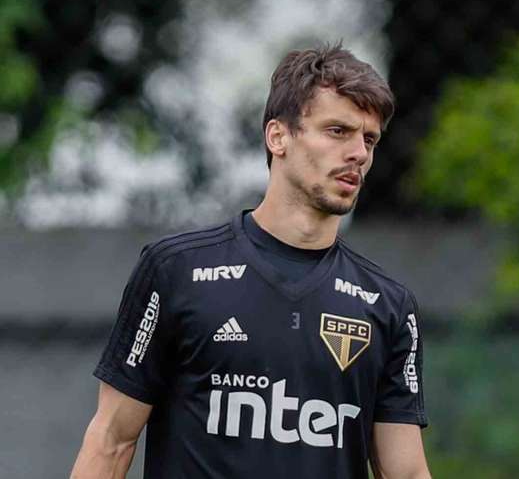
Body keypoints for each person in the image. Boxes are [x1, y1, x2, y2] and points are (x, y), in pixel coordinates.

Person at [70, 44, 431, 479]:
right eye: (338, 131)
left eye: (369, 139)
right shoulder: (176, 271)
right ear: (278, 137)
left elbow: (406, 473)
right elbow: (111, 440)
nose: (359, 153)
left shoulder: (387, 305)